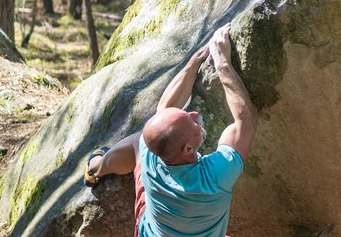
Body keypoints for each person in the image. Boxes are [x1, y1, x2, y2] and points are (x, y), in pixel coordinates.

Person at [84, 24, 257, 237]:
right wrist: (222, 63)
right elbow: (245, 122)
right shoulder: (215, 175)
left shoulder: (150, 158)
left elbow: (163, 111)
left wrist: (195, 62)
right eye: (191, 121)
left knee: (138, 139)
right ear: (187, 149)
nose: (194, 114)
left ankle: (95, 168)